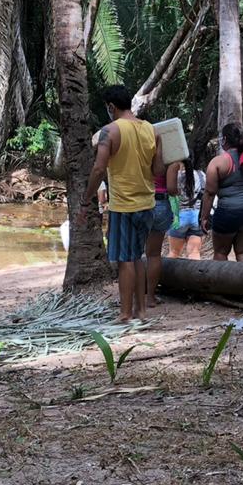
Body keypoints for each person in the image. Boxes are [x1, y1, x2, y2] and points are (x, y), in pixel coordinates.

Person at [79, 85, 164, 322]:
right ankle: (141, 311)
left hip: (123, 205)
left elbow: (98, 168)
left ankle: (125, 314)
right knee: (137, 257)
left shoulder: (110, 131)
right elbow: (158, 170)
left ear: (111, 107)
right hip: (147, 203)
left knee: (125, 260)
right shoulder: (152, 130)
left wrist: (86, 200)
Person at [201, 122, 243, 262]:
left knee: (221, 253)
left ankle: (221, 284)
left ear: (225, 140)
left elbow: (209, 193)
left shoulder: (218, 162)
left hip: (228, 212)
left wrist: (204, 217)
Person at [145, 155, 182, 308]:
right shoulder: (170, 159)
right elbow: (172, 189)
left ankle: (133, 295)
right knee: (153, 254)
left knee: (133, 253)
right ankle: (150, 298)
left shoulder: (139, 152)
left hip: (137, 202)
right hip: (159, 203)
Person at [168, 163, 206, 260]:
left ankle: (166, 275)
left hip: (179, 217)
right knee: (194, 253)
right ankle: (195, 275)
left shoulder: (174, 176)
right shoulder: (201, 174)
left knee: (174, 252)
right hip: (197, 217)